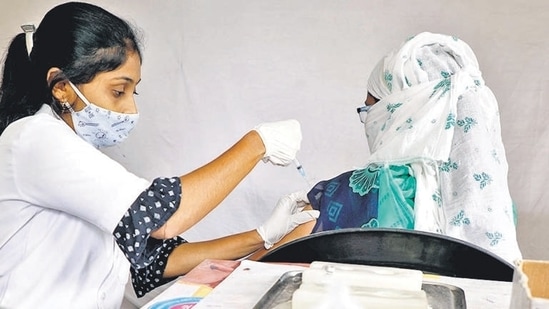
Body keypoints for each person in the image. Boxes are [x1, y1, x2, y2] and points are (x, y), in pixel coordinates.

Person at [0, 2, 318, 307]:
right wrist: (257, 142)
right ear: (61, 87)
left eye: (133, 91)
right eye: (118, 91)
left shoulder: (79, 155)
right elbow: (161, 220)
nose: (131, 109)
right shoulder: (33, 139)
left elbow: (151, 262)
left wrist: (262, 236)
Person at [251, 32, 522, 265]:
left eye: (371, 108)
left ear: (404, 111)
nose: (366, 119)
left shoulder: (349, 193)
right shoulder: (494, 206)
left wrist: (261, 237)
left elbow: (248, 277)